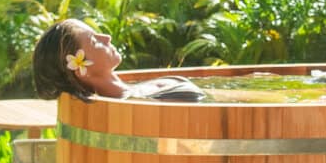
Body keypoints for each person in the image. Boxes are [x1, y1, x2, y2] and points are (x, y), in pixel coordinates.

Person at [32, 19, 205, 102]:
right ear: (81, 70)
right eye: (94, 40)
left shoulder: (136, 92)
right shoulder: (136, 106)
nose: (106, 37)